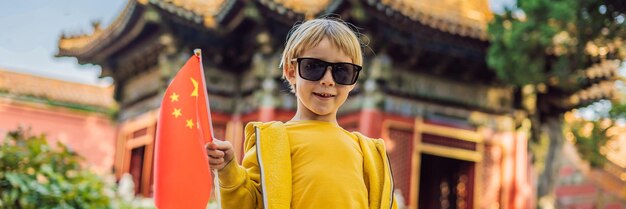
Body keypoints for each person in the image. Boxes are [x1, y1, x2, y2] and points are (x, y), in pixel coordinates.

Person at [206, 17, 397, 209]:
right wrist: (228, 168)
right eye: (314, 67)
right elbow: (248, 203)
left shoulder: (369, 153)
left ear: (354, 81)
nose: (328, 80)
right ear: (290, 71)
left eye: (342, 71)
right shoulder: (272, 141)